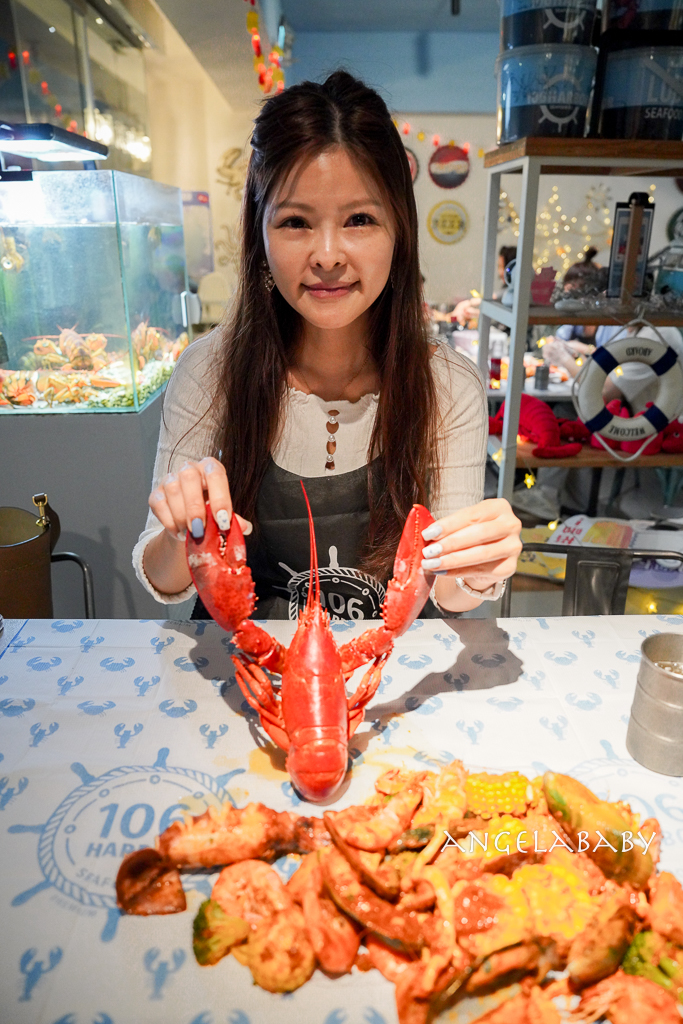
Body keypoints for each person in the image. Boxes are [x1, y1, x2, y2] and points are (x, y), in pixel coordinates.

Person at [133, 71, 522, 620]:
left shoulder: (448, 384)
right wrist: (182, 533)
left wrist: (479, 568)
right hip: (250, 651)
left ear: (399, 231)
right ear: (260, 235)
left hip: (390, 654)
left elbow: (447, 593)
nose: (328, 255)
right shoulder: (209, 369)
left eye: (360, 219)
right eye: (295, 222)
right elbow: (163, 578)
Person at [452, 245, 516, 327]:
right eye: (499, 266)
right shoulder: (506, 288)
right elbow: (498, 313)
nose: (500, 272)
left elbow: (496, 296)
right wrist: (474, 312)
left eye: (503, 267)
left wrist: (467, 303)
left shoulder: (515, 291)